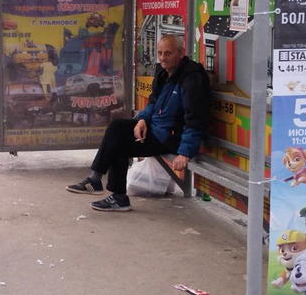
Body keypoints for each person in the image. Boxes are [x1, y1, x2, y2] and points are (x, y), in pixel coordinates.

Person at [65, 34, 210, 211]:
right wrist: (142, 119)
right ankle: (99, 182)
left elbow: (195, 119)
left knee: (119, 143)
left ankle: (111, 192)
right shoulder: (165, 73)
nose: (163, 58)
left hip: (171, 139)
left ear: (181, 53)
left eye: (168, 53)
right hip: (157, 130)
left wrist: (185, 153)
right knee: (117, 128)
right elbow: (153, 102)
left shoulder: (191, 79)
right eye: (160, 53)